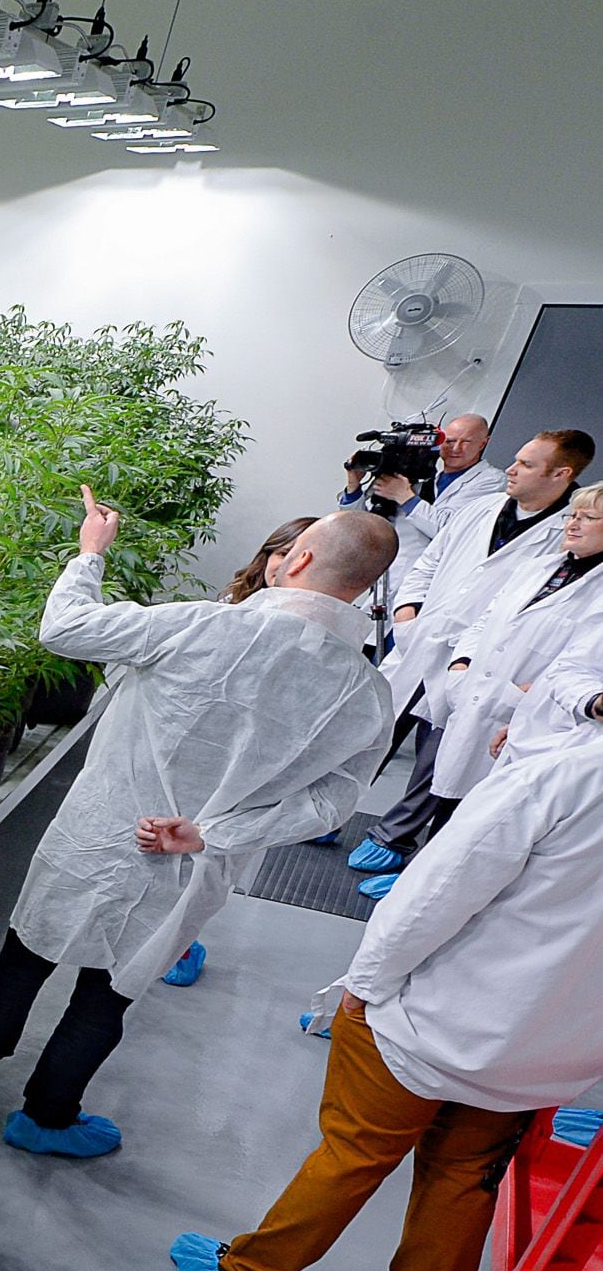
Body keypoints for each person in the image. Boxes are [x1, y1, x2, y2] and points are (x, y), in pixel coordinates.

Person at [0, 494, 397, 1157]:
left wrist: (91, 552)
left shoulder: (200, 625)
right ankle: (46, 1115)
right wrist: (215, 832)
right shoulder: (365, 694)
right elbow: (334, 803)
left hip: (102, 823)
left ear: (297, 558)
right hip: (191, 861)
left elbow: (65, 628)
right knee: (112, 987)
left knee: (32, 943)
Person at [173, 733, 603, 1271]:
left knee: (356, 1150)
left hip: (434, 1019)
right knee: (466, 1175)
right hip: (545, 1049)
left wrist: (366, 984)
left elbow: (436, 893)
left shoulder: (556, 779)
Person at [349, 429, 589, 875]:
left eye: (527, 464)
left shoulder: (565, 536)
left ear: (561, 474)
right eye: (516, 459)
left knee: (442, 757)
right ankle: (338, 813)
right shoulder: (480, 509)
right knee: (373, 731)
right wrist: (407, 615)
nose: (512, 470)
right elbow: (429, 562)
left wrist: (468, 658)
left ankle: (396, 840)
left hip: (481, 662)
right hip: (424, 637)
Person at [159, 515, 328, 984]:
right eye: (280, 554)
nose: (286, 566)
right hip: (193, 747)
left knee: (210, 861)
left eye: (298, 558)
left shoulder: (318, 635)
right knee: (163, 847)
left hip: (249, 767)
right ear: (267, 557)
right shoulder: (229, 606)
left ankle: (181, 941)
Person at [338, 413, 497, 565]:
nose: (456, 448)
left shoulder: (490, 480)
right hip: (387, 571)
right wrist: (354, 485)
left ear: (483, 443)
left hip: (429, 577)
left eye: (466, 442)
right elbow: (359, 525)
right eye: (449, 441)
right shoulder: (420, 480)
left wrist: (405, 497)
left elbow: (450, 531)